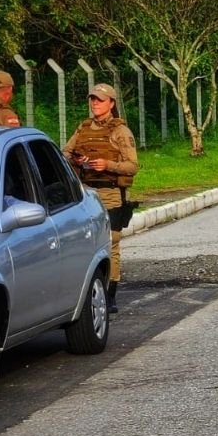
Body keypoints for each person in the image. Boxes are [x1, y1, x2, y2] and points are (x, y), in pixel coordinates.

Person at [63, 83, 139, 314]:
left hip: (110, 193)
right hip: (85, 192)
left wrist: (107, 165)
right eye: (92, 99)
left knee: (111, 242)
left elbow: (132, 166)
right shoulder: (83, 128)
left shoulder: (120, 132)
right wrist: (76, 160)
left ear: (111, 104)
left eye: (100, 100)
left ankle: (110, 293)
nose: (95, 103)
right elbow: (65, 153)